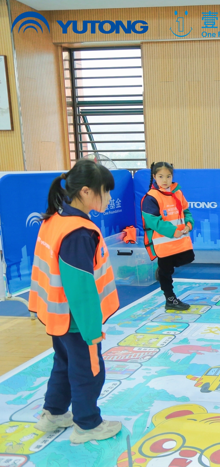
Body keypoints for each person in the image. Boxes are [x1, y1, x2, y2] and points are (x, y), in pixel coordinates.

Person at [29, 159, 122, 443]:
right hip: (77, 320)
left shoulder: (56, 219)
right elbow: (80, 289)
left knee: (64, 362)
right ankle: (88, 424)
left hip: (57, 315)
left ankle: (54, 414)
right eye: (104, 191)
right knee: (89, 370)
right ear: (85, 191)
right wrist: (92, 330)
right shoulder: (78, 233)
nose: (108, 197)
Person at [141, 162, 195, 310]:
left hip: (180, 241)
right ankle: (170, 299)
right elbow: (153, 221)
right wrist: (172, 231)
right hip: (163, 243)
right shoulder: (151, 197)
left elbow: (186, 212)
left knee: (188, 258)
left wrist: (188, 225)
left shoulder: (178, 192)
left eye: (168, 176)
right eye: (160, 176)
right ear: (154, 177)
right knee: (166, 272)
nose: (165, 180)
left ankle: (162, 270)